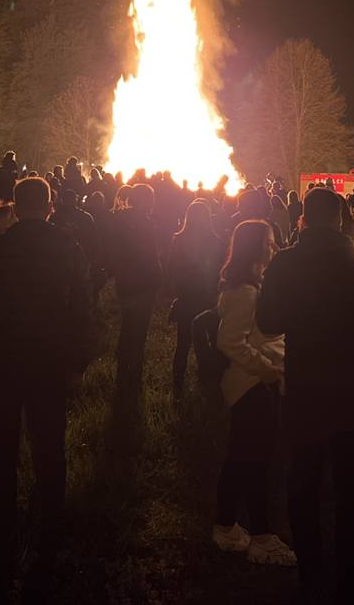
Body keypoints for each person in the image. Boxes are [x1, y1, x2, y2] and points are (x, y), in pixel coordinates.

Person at [256, 187, 354, 599]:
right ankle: (353, 574)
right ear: (340, 219)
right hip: (351, 387)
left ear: (303, 218)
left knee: (303, 482)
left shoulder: (285, 261)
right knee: (352, 486)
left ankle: (310, 570)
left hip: (304, 386)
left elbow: (267, 322)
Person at [0, 177, 92, 555]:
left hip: (4, 360)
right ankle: (52, 517)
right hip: (49, 360)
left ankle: (5, 520)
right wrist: (78, 358)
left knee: (3, 442)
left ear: (15, 207)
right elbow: (83, 307)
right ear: (49, 205)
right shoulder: (68, 247)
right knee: (49, 441)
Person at [212, 220, 297, 566]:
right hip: (251, 387)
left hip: (252, 385)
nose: (273, 247)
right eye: (269, 241)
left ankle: (226, 525)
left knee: (239, 458)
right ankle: (261, 536)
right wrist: (269, 370)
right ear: (254, 246)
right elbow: (230, 341)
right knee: (257, 462)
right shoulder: (245, 292)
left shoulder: (249, 286)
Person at [106, 183, 162, 402]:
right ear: (146, 200)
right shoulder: (147, 224)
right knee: (138, 330)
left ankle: (122, 366)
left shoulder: (118, 220)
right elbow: (150, 256)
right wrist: (157, 277)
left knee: (129, 324)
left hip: (126, 282)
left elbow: (113, 250)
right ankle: (133, 377)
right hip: (143, 282)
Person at [166, 200, 223, 395]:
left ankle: (178, 385)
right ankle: (210, 380)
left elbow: (171, 270)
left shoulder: (178, 240)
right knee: (212, 340)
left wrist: (177, 292)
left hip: (186, 297)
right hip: (207, 298)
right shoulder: (215, 241)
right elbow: (219, 270)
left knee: (183, 343)